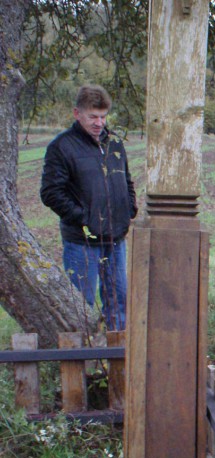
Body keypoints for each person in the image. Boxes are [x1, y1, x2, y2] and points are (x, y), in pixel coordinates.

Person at [40, 84, 137, 331]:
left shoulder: (114, 142)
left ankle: (117, 361)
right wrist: (84, 219)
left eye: (103, 116)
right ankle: (85, 362)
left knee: (119, 301)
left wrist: (130, 209)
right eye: (92, 116)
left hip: (115, 240)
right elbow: (51, 193)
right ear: (77, 113)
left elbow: (125, 179)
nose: (99, 122)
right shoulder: (61, 147)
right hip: (81, 243)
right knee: (81, 306)